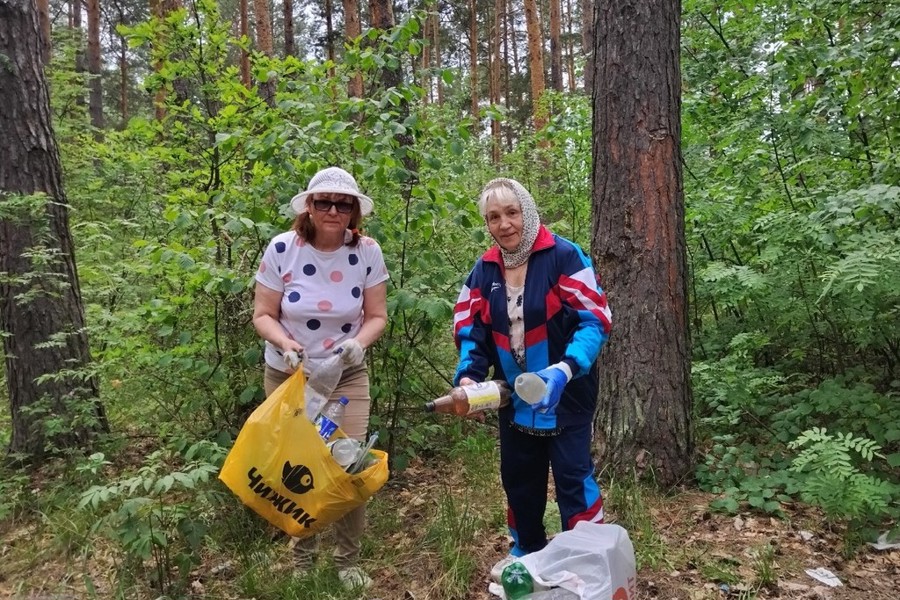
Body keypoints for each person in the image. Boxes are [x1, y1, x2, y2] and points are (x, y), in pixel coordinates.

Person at [451, 178, 612, 579]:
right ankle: (527, 552)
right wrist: (469, 378)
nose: (504, 224)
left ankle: (588, 558)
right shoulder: (484, 269)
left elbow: (595, 321)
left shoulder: (564, 256)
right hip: (513, 397)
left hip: (567, 392)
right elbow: (472, 330)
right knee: (519, 479)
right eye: (493, 217)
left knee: (573, 476)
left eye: (511, 212)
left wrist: (565, 369)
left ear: (528, 210)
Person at [252, 166, 388, 590]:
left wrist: (358, 344)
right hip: (289, 376)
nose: (333, 210)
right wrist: (288, 347)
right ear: (308, 207)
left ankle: (347, 561)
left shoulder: (367, 251)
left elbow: (377, 316)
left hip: (345, 375)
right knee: (300, 463)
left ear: (354, 211)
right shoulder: (281, 249)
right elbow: (263, 315)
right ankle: (303, 561)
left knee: (350, 462)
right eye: (323, 201)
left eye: (342, 203)